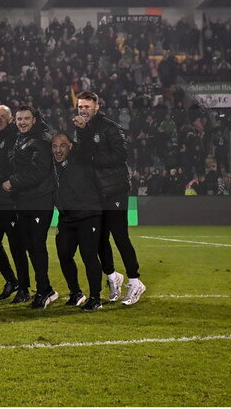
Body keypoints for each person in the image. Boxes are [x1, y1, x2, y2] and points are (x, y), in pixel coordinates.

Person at [76, 91, 146, 305]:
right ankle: (112, 277)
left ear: (96, 107)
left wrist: (93, 157)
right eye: (80, 107)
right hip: (95, 193)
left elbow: (120, 155)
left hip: (114, 190)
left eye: (87, 106)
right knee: (99, 240)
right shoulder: (83, 129)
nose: (83, 110)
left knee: (120, 236)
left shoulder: (110, 127)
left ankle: (135, 282)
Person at [4, 106, 58, 309]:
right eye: (19, 119)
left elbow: (39, 171)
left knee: (37, 246)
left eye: (26, 118)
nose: (23, 122)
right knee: (31, 247)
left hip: (39, 201)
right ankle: (46, 289)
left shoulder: (41, 140)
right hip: (25, 200)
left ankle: (44, 291)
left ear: (34, 120)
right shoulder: (22, 138)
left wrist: (13, 181)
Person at [0, 105, 30, 303]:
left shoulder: (13, 137)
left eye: (3, 116)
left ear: (10, 119)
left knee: (17, 246)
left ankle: (24, 288)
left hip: (11, 200)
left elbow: (11, 166)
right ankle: (12, 280)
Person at [51, 132, 104, 311]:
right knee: (64, 255)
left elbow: (88, 145)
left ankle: (96, 298)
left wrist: (83, 130)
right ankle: (76, 293)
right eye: (55, 146)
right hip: (66, 218)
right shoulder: (52, 166)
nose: (58, 150)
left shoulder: (80, 159)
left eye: (62, 145)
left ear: (70, 146)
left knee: (89, 257)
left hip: (88, 215)